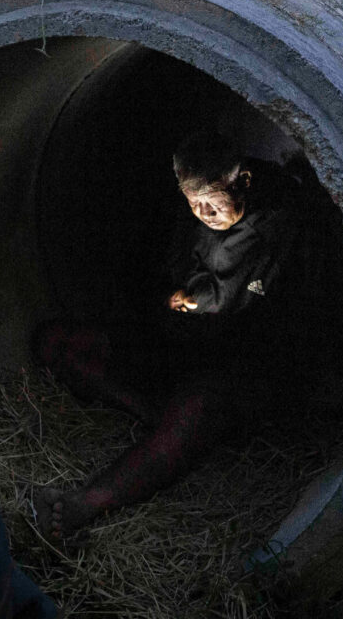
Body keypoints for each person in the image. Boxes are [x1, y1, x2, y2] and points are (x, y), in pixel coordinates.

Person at [32, 131, 303, 542]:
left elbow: (246, 306)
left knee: (192, 417)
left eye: (212, 202)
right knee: (55, 343)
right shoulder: (191, 213)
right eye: (193, 203)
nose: (204, 213)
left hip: (230, 362)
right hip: (171, 343)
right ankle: (151, 412)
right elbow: (158, 275)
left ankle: (84, 503)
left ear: (244, 181)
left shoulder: (276, 220)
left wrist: (194, 303)